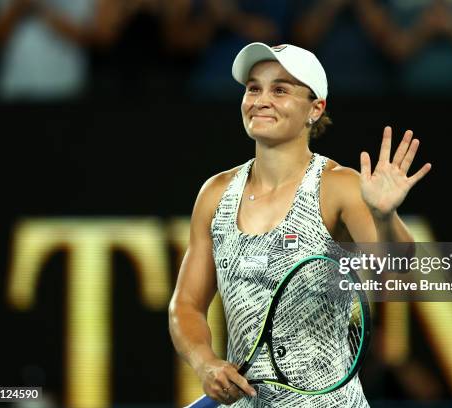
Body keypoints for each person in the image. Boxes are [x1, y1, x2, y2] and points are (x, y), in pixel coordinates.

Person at [169, 42, 431, 406]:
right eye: (253, 88)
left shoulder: (340, 186)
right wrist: (205, 363)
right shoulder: (215, 194)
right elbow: (186, 304)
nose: (261, 99)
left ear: (315, 108)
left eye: (280, 89)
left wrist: (385, 217)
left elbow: (401, 271)